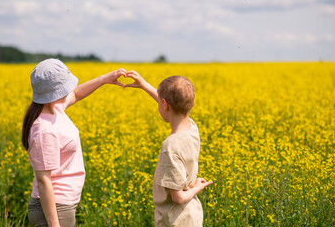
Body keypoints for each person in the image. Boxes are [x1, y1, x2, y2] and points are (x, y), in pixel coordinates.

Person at [22, 58, 126, 227]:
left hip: (61, 206)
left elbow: (76, 94)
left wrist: (105, 79)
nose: (68, 90)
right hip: (54, 209)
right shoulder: (45, 130)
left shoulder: (54, 109)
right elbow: (44, 181)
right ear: (55, 91)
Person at [125, 71, 213, 226]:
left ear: (164, 105)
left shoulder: (171, 146)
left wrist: (198, 187)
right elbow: (172, 104)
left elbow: (178, 198)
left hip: (175, 221)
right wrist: (144, 85)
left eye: (160, 102)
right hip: (192, 216)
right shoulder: (192, 128)